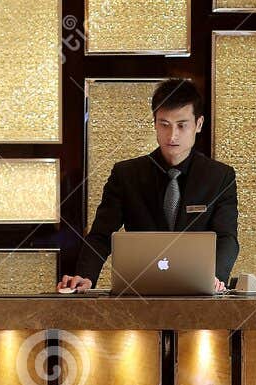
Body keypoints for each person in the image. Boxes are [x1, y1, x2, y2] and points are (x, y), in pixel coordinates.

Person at [59, 77, 238, 293]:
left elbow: (227, 238)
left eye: (182, 125)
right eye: (164, 125)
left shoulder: (219, 177)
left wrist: (216, 277)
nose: (172, 135)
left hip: (199, 291)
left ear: (198, 124)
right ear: (154, 124)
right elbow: (100, 236)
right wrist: (85, 276)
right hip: (141, 293)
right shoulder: (126, 175)